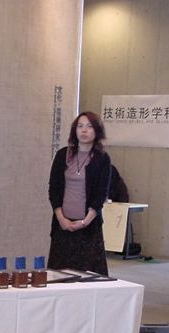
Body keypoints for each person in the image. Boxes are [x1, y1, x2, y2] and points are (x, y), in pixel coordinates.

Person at [47, 111, 111, 275]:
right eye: (80, 126)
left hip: (89, 227)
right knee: (59, 275)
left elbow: (101, 194)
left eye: (89, 126)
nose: (84, 130)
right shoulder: (62, 155)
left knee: (88, 276)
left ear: (97, 131)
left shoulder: (102, 158)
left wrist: (85, 222)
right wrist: (61, 219)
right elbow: (54, 189)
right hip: (63, 226)